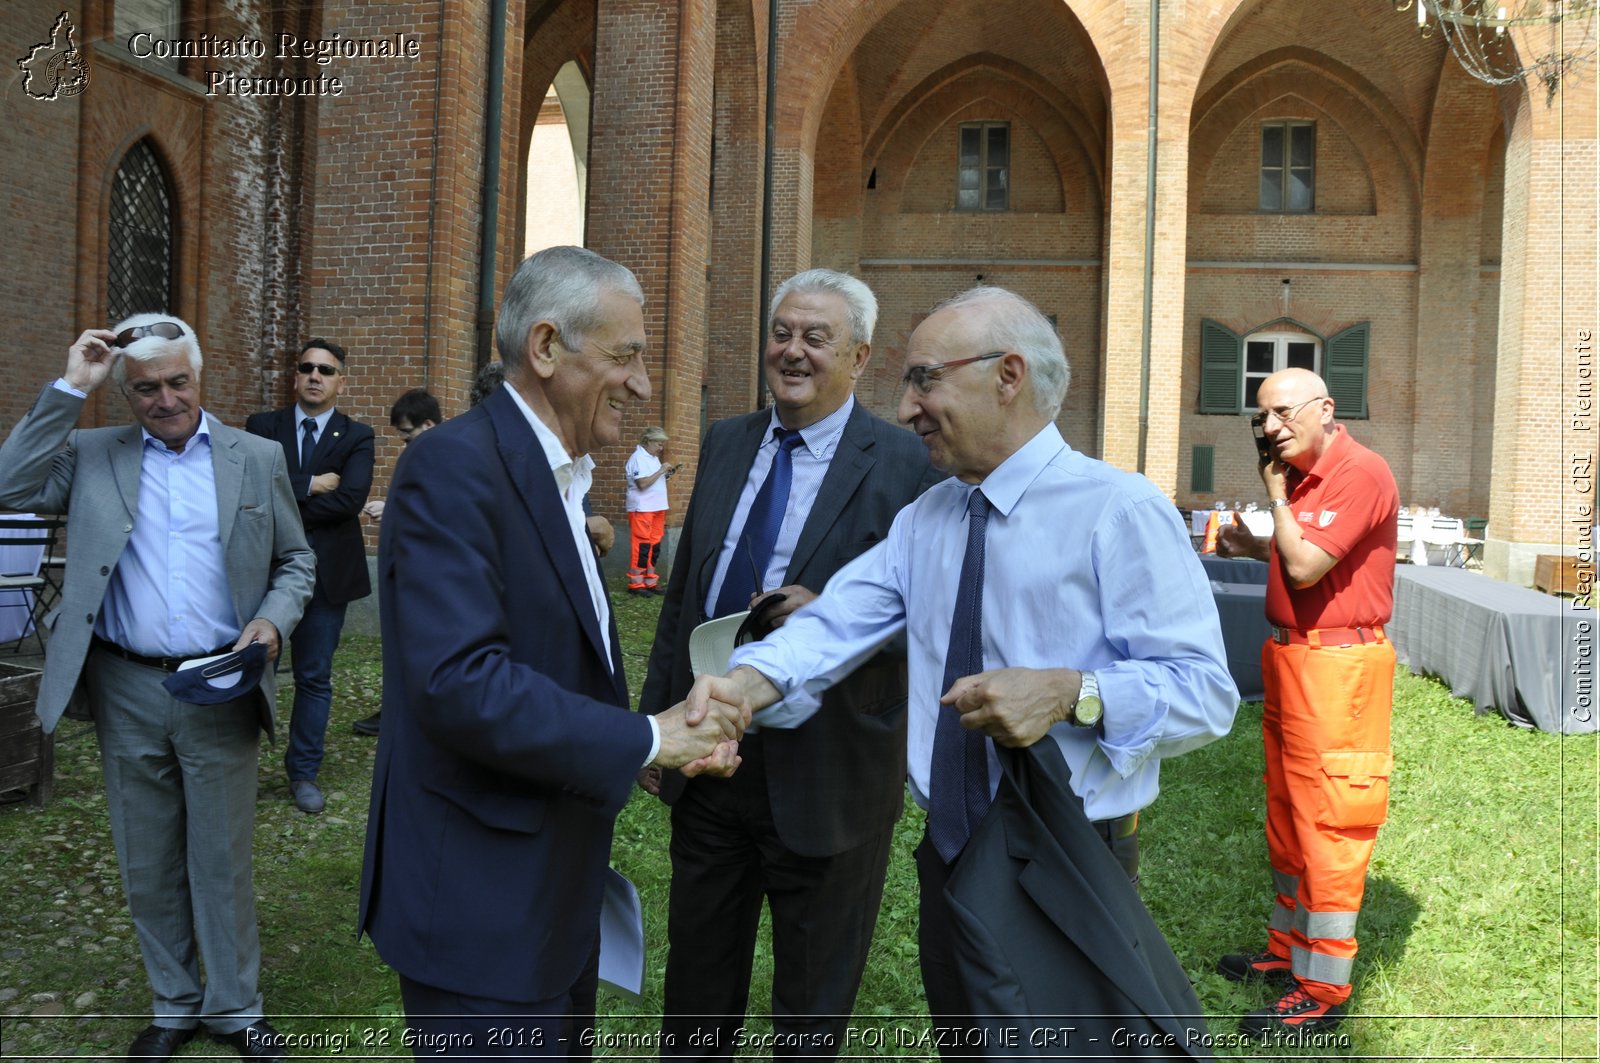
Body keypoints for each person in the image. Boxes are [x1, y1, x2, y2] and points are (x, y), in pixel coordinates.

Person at [679, 285, 1237, 1047]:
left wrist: (1075, 692)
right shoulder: (925, 520)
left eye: (924, 379)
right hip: (949, 853)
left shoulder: (1119, 510)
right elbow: (833, 625)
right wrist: (738, 688)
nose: (907, 409)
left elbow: (1206, 693)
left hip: (1066, 851)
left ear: (1008, 376)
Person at [356, 245, 746, 1057]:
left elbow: (550, 664)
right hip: (478, 902)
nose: (642, 383)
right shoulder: (452, 466)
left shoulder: (561, 472)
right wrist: (649, 737)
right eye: (626, 355)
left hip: (549, 893)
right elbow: (461, 683)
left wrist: (643, 750)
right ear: (544, 348)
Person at [639, 269, 938, 1059]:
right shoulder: (728, 440)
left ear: (860, 355)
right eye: (783, 333)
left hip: (832, 767)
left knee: (810, 1006)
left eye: (816, 337)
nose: (792, 351)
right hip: (711, 754)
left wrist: (843, 622)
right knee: (697, 990)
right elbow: (687, 594)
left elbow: (940, 616)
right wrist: (657, 719)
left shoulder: (908, 464)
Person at [0, 315, 314, 1062]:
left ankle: (236, 1007)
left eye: (177, 382)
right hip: (126, 683)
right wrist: (70, 385)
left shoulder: (256, 456)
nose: (165, 399)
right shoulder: (91, 451)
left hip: (219, 682)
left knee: (220, 856)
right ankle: (173, 1003)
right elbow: (10, 484)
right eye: (145, 388)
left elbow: (297, 561)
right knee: (146, 857)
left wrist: (271, 623)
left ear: (197, 377)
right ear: (124, 391)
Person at [1213, 367, 1398, 1035]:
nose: (1270, 428)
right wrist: (1259, 539)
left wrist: (1274, 498)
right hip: (1293, 659)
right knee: (1289, 811)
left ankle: (1322, 991)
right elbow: (1310, 553)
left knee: (1331, 821)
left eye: (1284, 413)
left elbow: (1306, 567)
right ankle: (1287, 950)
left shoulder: (1359, 470)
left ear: (1327, 409)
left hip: (1339, 667)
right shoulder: (1310, 479)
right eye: (1261, 418)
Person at [246, 339, 374, 814]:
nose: (315, 376)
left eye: (326, 369)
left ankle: (303, 771)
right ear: (295, 376)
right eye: (307, 368)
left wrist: (285, 494)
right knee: (247, 668)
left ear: (342, 380)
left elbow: (350, 501)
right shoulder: (263, 427)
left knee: (313, 676)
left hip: (327, 576)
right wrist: (309, 483)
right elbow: (250, 487)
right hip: (263, 571)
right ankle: (233, 766)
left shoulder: (357, 435)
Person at [624, 426, 678, 597]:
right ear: (648, 441)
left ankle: (650, 581)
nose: (661, 448)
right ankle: (636, 584)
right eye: (659, 444)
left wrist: (665, 474)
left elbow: (653, 479)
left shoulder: (652, 458)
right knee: (642, 545)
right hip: (642, 507)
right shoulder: (638, 458)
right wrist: (661, 470)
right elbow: (642, 484)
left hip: (657, 507)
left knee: (654, 545)